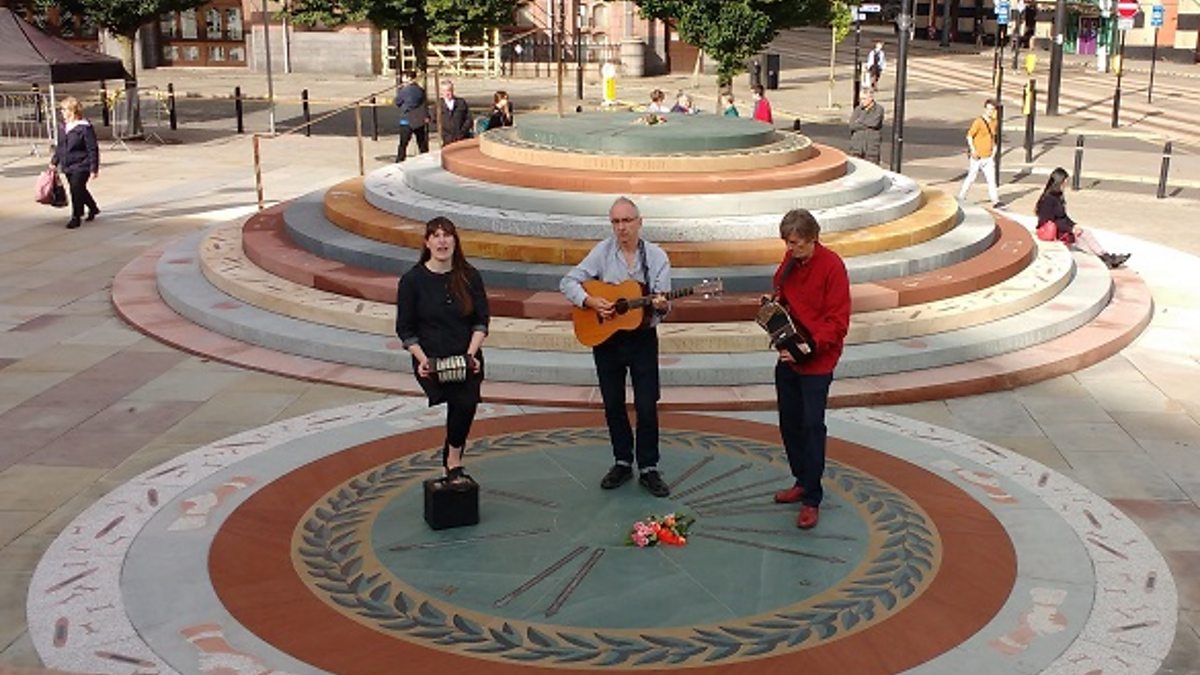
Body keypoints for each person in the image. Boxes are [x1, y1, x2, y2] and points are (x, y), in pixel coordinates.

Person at [560, 197, 672, 498]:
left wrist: (662, 305)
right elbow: (568, 282)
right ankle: (622, 461)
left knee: (646, 404)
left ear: (639, 222)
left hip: (642, 338)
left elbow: (662, 303)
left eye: (627, 221)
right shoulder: (602, 251)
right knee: (613, 403)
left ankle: (648, 466)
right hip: (607, 339)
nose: (621, 228)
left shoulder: (656, 256)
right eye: (616, 222)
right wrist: (590, 301)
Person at [768, 209, 850, 530]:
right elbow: (782, 292)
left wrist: (811, 347)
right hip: (790, 353)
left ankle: (812, 498)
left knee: (812, 426)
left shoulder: (832, 266)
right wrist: (773, 307)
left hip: (818, 357)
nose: (790, 249)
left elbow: (838, 322)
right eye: (787, 243)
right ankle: (801, 480)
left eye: (796, 244)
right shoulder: (790, 261)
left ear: (813, 238)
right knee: (789, 423)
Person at [395, 217, 490, 482]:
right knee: (457, 399)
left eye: (447, 235)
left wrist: (471, 354)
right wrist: (422, 360)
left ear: (455, 241)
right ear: (427, 242)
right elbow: (405, 329)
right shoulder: (412, 280)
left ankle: (453, 458)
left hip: (466, 354)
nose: (442, 241)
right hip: (431, 357)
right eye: (435, 236)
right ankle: (452, 457)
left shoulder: (470, 276)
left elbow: (481, 321)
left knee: (466, 402)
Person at [1036, 167, 1130, 269]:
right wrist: (1071, 229)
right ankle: (1107, 259)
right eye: (1064, 182)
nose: (1066, 185)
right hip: (1054, 231)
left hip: (1062, 229)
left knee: (1085, 237)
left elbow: (1063, 216)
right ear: (1059, 182)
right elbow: (1050, 222)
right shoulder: (1048, 200)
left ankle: (1107, 258)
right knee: (1084, 237)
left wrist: (1074, 225)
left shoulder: (1058, 196)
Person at [50, 96, 100, 230]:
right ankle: (93, 207)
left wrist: (94, 168)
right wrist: (54, 161)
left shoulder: (84, 128)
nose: (62, 112)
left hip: (82, 164)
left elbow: (92, 148)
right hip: (67, 164)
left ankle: (76, 216)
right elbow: (60, 146)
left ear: (72, 111)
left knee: (75, 189)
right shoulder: (63, 127)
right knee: (79, 189)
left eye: (64, 109)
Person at [957, 98, 1002, 208]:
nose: (990, 111)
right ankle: (961, 197)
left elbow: (993, 137)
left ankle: (995, 200)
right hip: (977, 156)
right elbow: (969, 136)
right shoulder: (978, 122)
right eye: (988, 109)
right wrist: (973, 150)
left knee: (991, 179)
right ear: (985, 109)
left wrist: (994, 151)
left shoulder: (994, 122)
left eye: (992, 109)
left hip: (988, 156)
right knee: (971, 177)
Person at [394, 70, 429, 163]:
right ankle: (426, 159)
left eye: (404, 77)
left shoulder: (404, 90)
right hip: (418, 119)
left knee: (403, 144)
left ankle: (400, 160)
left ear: (409, 78)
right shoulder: (420, 90)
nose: (402, 79)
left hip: (406, 119)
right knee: (421, 142)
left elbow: (397, 101)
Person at [848, 87, 884, 165]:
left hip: (871, 149)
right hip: (856, 148)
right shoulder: (858, 109)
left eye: (864, 99)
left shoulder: (878, 109)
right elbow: (852, 125)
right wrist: (866, 123)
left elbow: (874, 122)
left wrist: (859, 121)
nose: (862, 101)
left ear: (871, 98)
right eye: (861, 99)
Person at [438, 80, 473, 147]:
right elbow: (435, 121)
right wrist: (444, 133)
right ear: (441, 92)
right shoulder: (438, 105)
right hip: (447, 140)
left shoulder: (461, 102)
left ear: (452, 90)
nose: (447, 93)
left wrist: (462, 132)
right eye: (444, 91)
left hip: (462, 138)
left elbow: (469, 119)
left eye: (449, 90)